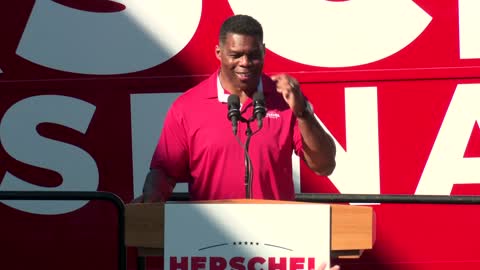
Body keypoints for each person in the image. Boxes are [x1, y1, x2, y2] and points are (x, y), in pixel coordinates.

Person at [135, 14, 339, 270]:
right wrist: (149, 204)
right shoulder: (187, 106)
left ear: (264, 52)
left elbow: (324, 165)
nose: (245, 63)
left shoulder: (285, 100)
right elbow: (165, 171)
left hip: (278, 245)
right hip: (208, 244)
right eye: (236, 55)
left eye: (253, 55)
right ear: (219, 52)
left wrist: (302, 112)